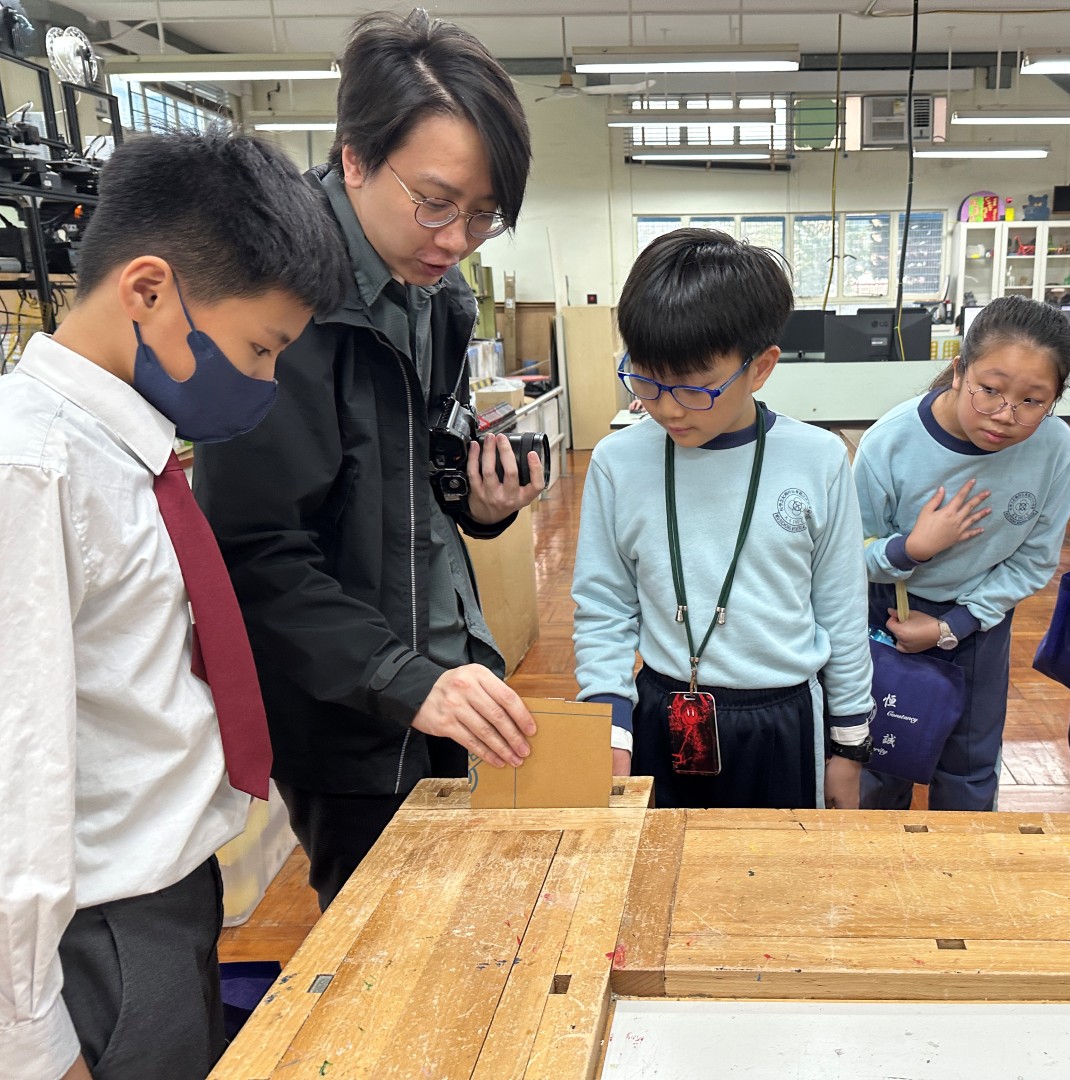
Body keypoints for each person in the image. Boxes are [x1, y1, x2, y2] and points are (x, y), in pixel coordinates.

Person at [0, 131, 348, 1080]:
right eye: (258, 349)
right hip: (99, 929)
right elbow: (16, 773)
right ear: (149, 291)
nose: (264, 383)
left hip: (165, 898)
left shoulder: (125, 452)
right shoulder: (32, 470)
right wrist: (29, 1037)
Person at [192, 10, 541, 911]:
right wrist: (403, 681)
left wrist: (477, 502)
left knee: (468, 918)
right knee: (383, 938)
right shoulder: (276, 304)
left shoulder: (437, 296)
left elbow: (403, 480)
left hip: (445, 676)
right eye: (436, 202)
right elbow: (255, 553)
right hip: (350, 711)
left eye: (484, 215)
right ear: (354, 159)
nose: (456, 239)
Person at [572, 229, 873, 810]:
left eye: (695, 387)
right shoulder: (618, 462)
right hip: (660, 711)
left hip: (783, 718)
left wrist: (849, 743)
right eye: (646, 378)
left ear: (760, 368)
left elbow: (841, 611)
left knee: (779, 865)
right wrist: (609, 725)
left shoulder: (819, 459)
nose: (666, 407)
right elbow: (604, 603)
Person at [854, 296, 1070, 811]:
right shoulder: (891, 442)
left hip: (980, 619)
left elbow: (1035, 560)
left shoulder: (1054, 448)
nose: (1005, 416)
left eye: (1032, 401)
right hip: (887, 616)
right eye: (990, 390)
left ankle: (964, 861)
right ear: (959, 371)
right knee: (882, 758)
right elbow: (848, 555)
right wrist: (910, 549)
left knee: (970, 768)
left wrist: (954, 625)